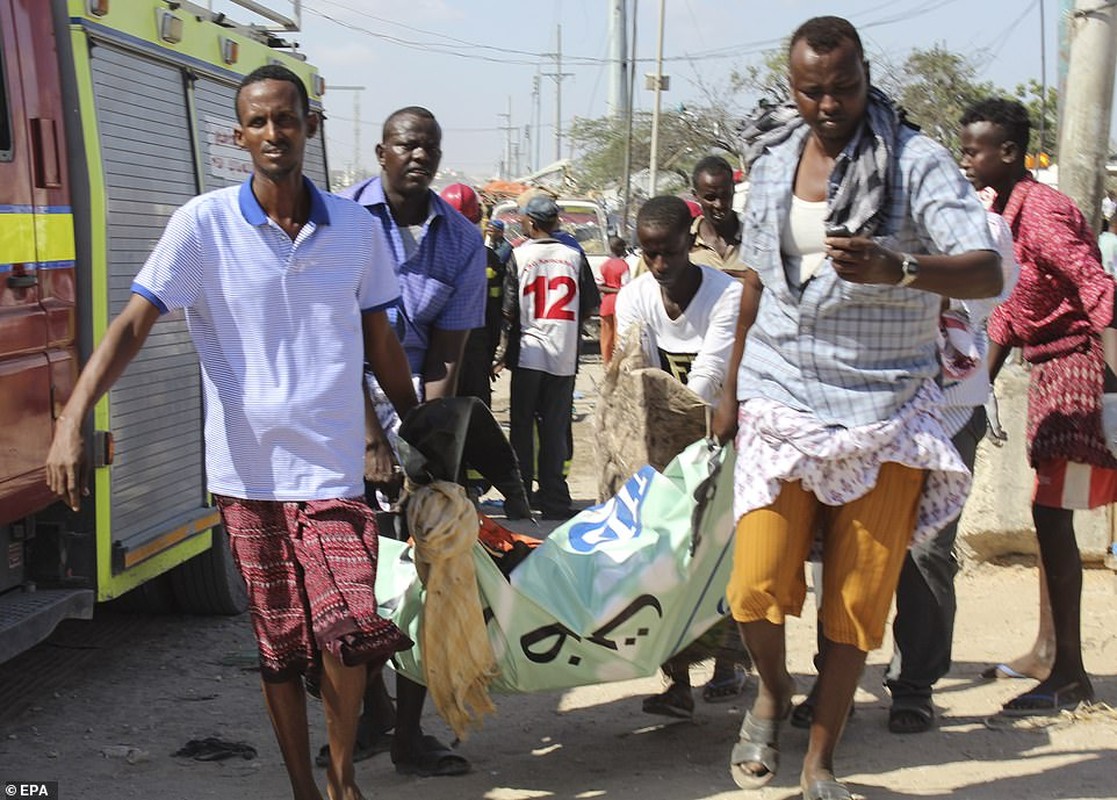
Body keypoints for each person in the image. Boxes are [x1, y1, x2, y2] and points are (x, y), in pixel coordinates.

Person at [44, 65, 416, 800]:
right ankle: (303, 789)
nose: (274, 134)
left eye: (286, 119)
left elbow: (379, 343)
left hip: (334, 471)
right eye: (259, 122)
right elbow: (132, 325)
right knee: (279, 645)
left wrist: (423, 428)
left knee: (349, 629)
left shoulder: (356, 230)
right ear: (239, 134)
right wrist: (69, 419)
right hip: (248, 477)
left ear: (310, 126)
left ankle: (340, 777)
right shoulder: (202, 225)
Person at [713, 17, 1001, 800]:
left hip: (884, 408)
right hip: (780, 397)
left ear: (865, 74)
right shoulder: (772, 158)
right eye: (812, 91)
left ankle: (819, 761)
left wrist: (901, 267)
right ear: (792, 85)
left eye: (843, 87)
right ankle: (771, 692)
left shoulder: (916, 161)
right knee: (754, 585)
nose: (829, 104)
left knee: (854, 597)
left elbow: (987, 271)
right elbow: (754, 280)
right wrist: (727, 387)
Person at [336, 106, 487, 777]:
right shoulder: (338, 221)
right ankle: (363, 717)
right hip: (336, 410)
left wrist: (426, 447)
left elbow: (447, 355)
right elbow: (333, 342)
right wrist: (371, 442)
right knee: (350, 579)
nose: (417, 154)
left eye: (428, 144)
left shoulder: (460, 241)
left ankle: (406, 735)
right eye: (405, 143)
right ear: (381, 152)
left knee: (426, 573)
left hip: (411, 410)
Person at [960, 97, 1115, 715]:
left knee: (1054, 517)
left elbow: (1097, 287)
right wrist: (980, 380)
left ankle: (1071, 674)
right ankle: (1049, 650)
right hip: (1050, 367)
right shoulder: (1006, 213)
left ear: (1008, 153)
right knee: (1046, 510)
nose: (966, 159)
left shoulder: (1043, 213)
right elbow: (1011, 307)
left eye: (975, 149)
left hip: (1077, 371)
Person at [612, 196, 747, 719]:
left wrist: (690, 437)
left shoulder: (726, 296)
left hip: (725, 434)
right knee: (666, 557)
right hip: (666, 441)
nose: (660, 265)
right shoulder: (635, 296)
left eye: (668, 252)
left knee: (724, 554)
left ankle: (729, 664)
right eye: (650, 254)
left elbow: (711, 374)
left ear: (691, 241)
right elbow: (633, 366)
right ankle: (677, 680)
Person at [495, 195, 600, 520]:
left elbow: (509, 310)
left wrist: (500, 352)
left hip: (529, 355)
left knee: (523, 429)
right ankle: (554, 500)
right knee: (555, 429)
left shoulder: (518, 255)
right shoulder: (574, 255)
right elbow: (589, 307)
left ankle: (521, 497)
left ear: (532, 222)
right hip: (564, 357)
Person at [691, 155, 748, 279]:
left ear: (733, 189)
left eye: (725, 195)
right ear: (696, 196)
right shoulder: (683, 243)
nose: (719, 204)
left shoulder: (757, 238)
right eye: (710, 198)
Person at [598, 235, 630, 365]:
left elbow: (600, 285)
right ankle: (617, 364)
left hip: (606, 303)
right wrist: (618, 290)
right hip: (620, 302)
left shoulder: (604, 265)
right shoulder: (624, 266)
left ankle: (606, 363)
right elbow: (626, 287)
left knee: (606, 336)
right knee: (619, 335)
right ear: (621, 248)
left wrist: (609, 289)